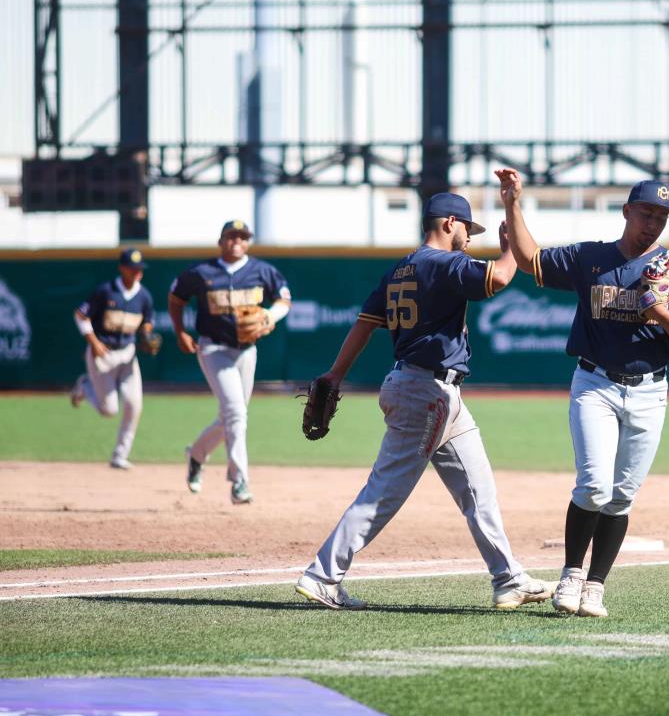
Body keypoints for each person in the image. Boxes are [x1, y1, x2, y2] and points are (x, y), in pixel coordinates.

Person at [294, 191, 552, 611]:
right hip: (426, 392)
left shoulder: (400, 269)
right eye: (468, 228)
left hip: (433, 392)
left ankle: (508, 578)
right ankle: (322, 575)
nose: (469, 238)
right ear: (450, 223)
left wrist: (335, 373)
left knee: (478, 489)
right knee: (385, 490)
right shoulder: (446, 263)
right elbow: (500, 278)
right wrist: (509, 250)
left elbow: (363, 326)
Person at [497, 168, 669, 618]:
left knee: (622, 495)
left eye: (662, 216)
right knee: (593, 486)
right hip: (596, 384)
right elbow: (530, 258)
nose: (653, 223)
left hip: (651, 390)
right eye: (646, 212)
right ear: (627, 211)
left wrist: (662, 312)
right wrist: (513, 202)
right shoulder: (591, 258)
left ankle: (596, 586)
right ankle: (571, 574)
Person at [168, 220, 292, 505]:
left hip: (247, 351)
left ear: (248, 241)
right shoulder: (202, 272)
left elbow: (284, 300)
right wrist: (179, 332)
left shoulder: (262, 270)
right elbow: (176, 298)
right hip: (213, 348)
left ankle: (196, 454)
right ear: (221, 241)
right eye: (231, 236)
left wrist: (270, 316)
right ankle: (239, 481)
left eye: (242, 236)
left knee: (232, 417)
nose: (237, 240)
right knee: (236, 413)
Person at [69, 248, 157, 470]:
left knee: (134, 405)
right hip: (103, 354)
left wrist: (147, 334)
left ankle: (120, 454)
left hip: (127, 354)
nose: (137, 272)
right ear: (122, 268)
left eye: (140, 269)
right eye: (133, 268)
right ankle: (84, 386)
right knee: (109, 410)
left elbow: (147, 320)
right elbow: (81, 315)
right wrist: (94, 343)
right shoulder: (106, 291)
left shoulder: (144, 295)